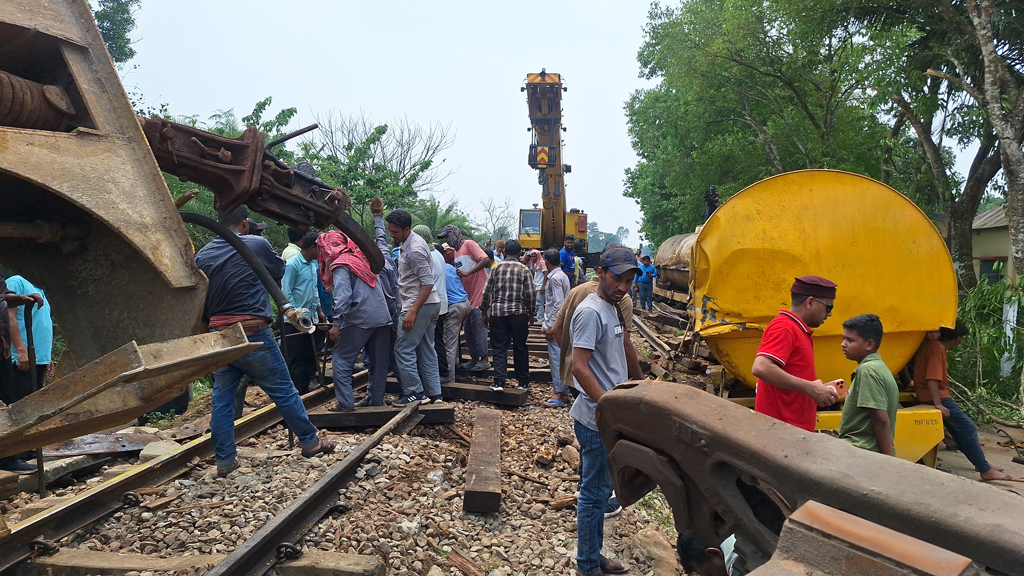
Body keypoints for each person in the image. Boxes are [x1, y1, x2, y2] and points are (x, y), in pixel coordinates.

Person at [195, 206, 334, 477]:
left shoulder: (203, 254)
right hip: (253, 331)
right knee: (283, 389)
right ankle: (310, 441)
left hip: (220, 336)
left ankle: (224, 461)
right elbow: (277, 271)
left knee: (222, 399)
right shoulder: (256, 244)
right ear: (245, 223)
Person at [569, 246, 641, 576]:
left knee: (599, 493)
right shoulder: (590, 312)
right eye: (617, 279)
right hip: (597, 419)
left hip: (608, 416)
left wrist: (642, 385)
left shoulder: (612, 308)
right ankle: (587, 565)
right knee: (593, 495)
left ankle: (593, 555)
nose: (623, 287)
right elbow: (579, 367)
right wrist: (608, 408)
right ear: (600, 273)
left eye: (628, 281)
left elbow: (623, 346)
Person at [914, 320, 1012, 481]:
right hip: (935, 397)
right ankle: (985, 470)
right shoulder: (937, 348)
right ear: (958, 339)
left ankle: (981, 463)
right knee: (967, 428)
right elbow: (932, 378)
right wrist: (938, 404)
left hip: (931, 395)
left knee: (959, 431)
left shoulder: (933, 346)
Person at [750, 276, 840, 432]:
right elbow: (761, 367)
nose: (829, 314)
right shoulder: (785, 328)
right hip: (782, 432)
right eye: (828, 308)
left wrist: (816, 389)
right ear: (810, 302)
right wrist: (811, 388)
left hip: (789, 431)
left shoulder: (796, 330)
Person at [319, 221, 393, 411]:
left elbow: (343, 296)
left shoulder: (341, 264)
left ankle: (345, 403)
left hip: (360, 317)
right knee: (379, 362)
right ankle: (376, 400)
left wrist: (337, 323)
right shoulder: (362, 259)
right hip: (381, 316)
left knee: (341, 359)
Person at [387, 209, 443, 405]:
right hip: (430, 304)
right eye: (390, 231)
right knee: (427, 348)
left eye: (394, 232)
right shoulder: (411, 241)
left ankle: (414, 393)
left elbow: (427, 283)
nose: (391, 235)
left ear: (407, 229)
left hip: (419, 304)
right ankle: (434, 393)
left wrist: (412, 311)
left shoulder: (415, 250)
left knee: (403, 349)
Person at [837, 314, 899, 455]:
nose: (843, 344)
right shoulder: (878, 367)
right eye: (843, 339)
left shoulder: (867, 371)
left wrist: (888, 459)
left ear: (869, 344)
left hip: (862, 449)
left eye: (850, 340)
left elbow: (880, 420)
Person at [0, 276, 43, 474]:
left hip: (2, 350)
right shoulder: (16, 279)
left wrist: (20, 298)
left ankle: (9, 457)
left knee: (5, 402)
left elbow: (4, 296)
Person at [481, 240, 536, 392]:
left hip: (498, 313)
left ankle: (499, 382)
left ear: (505, 252)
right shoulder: (524, 269)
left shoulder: (496, 269)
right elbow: (530, 294)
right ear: (519, 254)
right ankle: (523, 382)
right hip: (518, 313)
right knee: (520, 346)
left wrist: (484, 312)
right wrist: (531, 313)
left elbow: (486, 292)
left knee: (499, 347)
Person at [437, 225, 493, 371]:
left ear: (454, 234)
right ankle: (474, 358)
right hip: (467, 296)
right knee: (468, 329)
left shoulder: (469, 244)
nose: (448, 241)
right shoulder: (456, 253)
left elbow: (486, 260)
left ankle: (484, 358)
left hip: (479, 293)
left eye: (448, 236)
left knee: (479, 328)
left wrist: (468, 273)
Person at [281, 232, 327, 395]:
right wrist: (294, 314)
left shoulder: (312, 265)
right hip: (295, 321)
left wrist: (319, 310)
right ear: (312, 247)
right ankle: (297, 390)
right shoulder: (293, 265)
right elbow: (286, 291)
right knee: (296, 356)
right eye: (319, 249)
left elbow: (314, 290)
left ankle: (306, 385)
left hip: (311, 318)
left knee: (310, 353)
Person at [413, 225, 449, 382]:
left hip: (431, 302)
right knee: (436, 339)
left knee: (430, 342)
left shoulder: (426, 254)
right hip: (440, 301)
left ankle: (440, 374)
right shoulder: (437, 253)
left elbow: (425, 283)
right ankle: (441, 372)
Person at [7, 275, 52, 394]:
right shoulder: (16, 282)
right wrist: (20, 350)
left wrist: (46, 355)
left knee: (34, 402)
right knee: (19, 402)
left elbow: (41, 323)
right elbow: (8, 317)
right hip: (22, 358)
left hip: (38, 358)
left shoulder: (39, 289)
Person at [542, 248, 572, 407]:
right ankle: (564, 392)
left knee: (556, 357)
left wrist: (551, 326)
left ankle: (558, 393)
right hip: (563, 322)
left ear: (546, 262)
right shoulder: (563, 276)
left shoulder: (554, 278)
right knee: (561, 355)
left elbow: (558, 303)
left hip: (556, 324)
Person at [441, 244, 472, 384]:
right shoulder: (450, 267)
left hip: (454, 307)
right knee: (454, 339)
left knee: (449, 344)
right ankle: (457, 363)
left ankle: (450, 379)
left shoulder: (437, 268)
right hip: (465, 304)